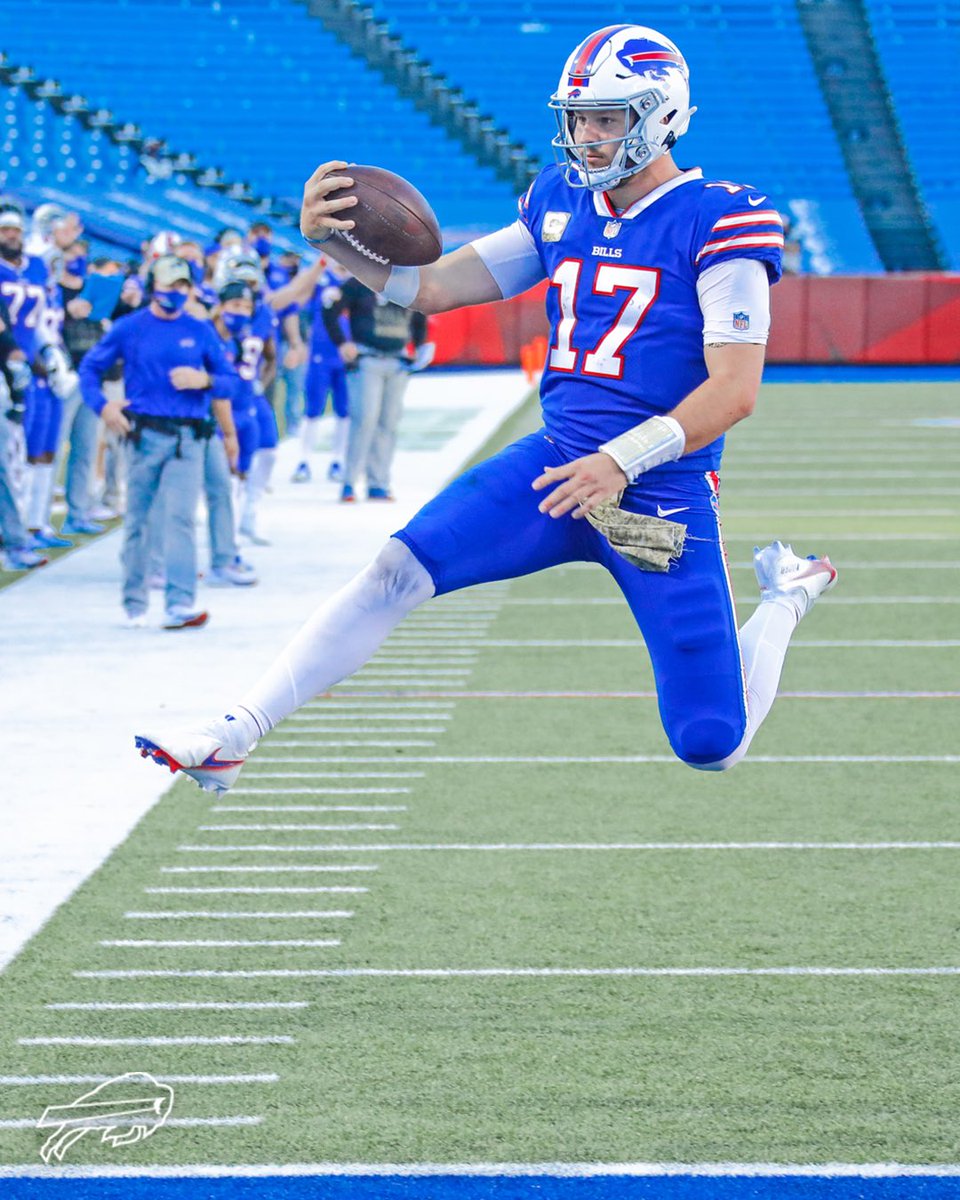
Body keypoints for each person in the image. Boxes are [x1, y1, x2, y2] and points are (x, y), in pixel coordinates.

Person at [135, 24, 836, 789]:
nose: (588, 136)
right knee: (396, 569)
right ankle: (236, 732)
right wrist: (332, 246)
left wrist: (620, 462)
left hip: (656, 496)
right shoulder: (561, 197)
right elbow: (433, 288)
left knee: (712, 743)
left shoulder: (719, 216)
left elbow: (734, 389)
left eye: (607, 118)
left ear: (660, 116)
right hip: (557, 468)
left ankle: (788, 595)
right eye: (579, 118)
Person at [80, 254, 238, 629]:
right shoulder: (130, 327)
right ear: (154, 286)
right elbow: (90, 368)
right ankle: (134, 601)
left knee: (181, 519)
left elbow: (230, 380)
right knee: (139, 520)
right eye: (170, 284)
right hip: (143, 435)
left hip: (188, 437)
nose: (176, 292)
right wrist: (104, 407)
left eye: (183, 285)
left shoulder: (199, 329)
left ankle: (180, 602)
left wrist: (205, 381)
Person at [322, 276, 428, 502]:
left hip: (398, 360)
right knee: (365, 419)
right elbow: (330, 310)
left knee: (388, 422)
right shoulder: (359, 282)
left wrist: (419, 346)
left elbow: (420, 316)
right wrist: (342, 342)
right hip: (367, 358)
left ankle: (378, 482)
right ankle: (350, 481)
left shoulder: (407, 282)